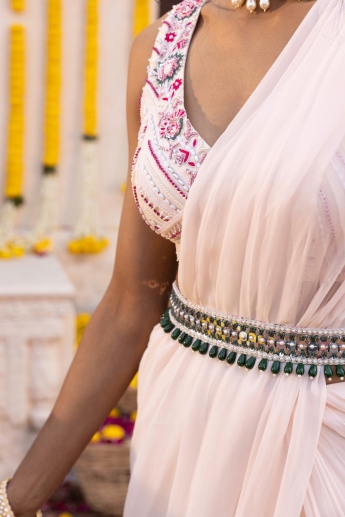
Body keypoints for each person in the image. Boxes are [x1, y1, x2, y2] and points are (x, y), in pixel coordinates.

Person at [3, 0, 345, 515]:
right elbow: (129, 303)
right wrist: (17, 499)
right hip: (184, 433)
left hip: (320, 437)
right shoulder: (162, 48)